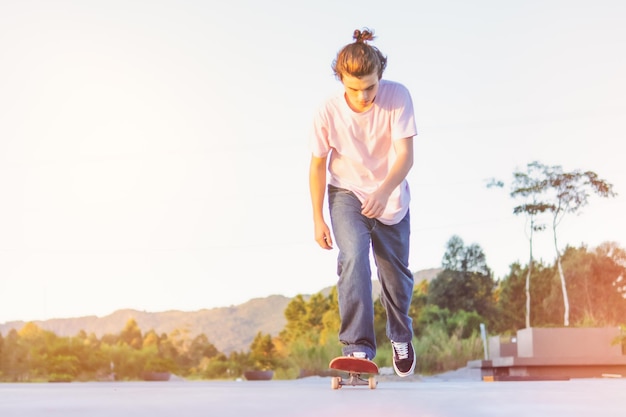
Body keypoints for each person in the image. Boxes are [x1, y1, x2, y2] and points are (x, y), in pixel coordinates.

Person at [308, 28, 417, 377]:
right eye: (354, 89)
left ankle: (400, 336)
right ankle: (357, 347)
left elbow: (405, 156)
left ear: (379, 76)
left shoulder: (398, 97)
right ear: (341, 79)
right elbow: (317, 165)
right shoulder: (327, 111)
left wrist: (384, 190)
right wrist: (317, 218)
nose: (363, 96)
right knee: (353, 255)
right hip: (346, 193)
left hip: (391, 195)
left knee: (395, 278)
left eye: (370, 87)